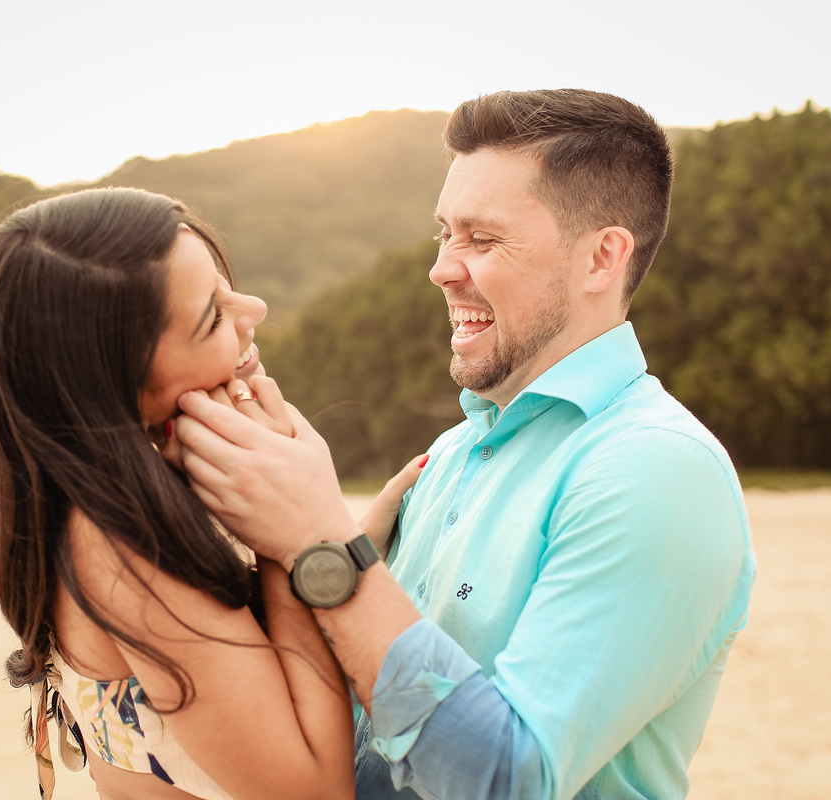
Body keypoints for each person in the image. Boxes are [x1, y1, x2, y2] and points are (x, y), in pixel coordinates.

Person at [169, 90, 757, 800]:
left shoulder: (655, 468)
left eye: (481, 239)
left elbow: (506, 782)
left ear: (602, 258)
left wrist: (323, 547)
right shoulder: (449, 455)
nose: (442, 268)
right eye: (444, 234)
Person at [0, 187, 368, 800]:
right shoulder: (122, 543)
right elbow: (314, 791)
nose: (252, 307)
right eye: (213, 315)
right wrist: (294, 536)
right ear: (117, 387)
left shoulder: (88, 502)